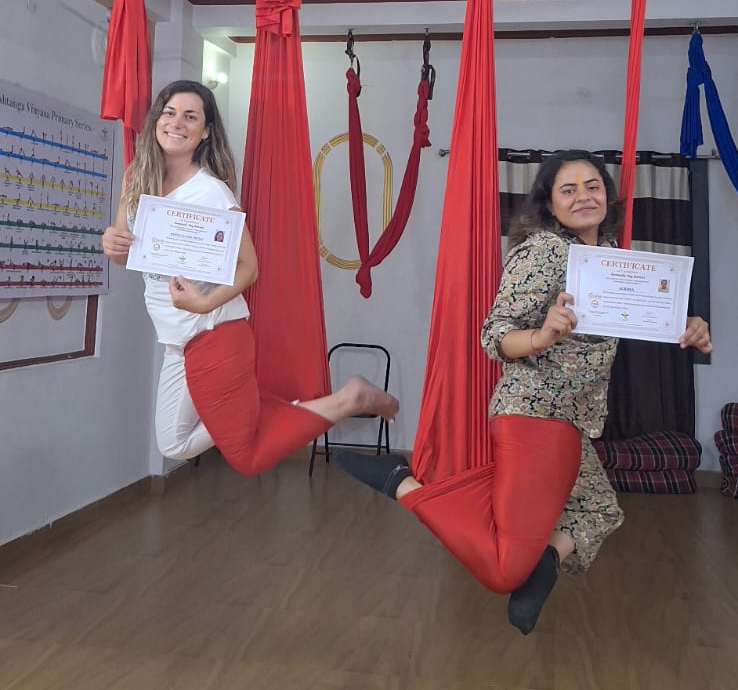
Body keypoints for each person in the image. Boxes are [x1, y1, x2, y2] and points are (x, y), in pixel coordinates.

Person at [337, 151, 712, 635]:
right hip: (535, 414)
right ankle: (402, 483)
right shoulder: (545, 251)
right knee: (502, 571)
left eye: (593, 186)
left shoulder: (610, 258)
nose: (583, 196)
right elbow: (494, 335)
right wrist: (543, 334)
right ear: (551, 205)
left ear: (608, 195)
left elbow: (642, 317)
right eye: (568, 190)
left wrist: (686, 324)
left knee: (598, 511)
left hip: (571, 419)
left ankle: (544, 567)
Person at [102, 80, 398, 471]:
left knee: (245, 454)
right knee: (174, 442)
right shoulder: (135, 180)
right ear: (156, 119)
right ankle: (281, 408)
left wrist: (204, 302)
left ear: (205, 132)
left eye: (190, 117)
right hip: (175, 336)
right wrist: (113, 246)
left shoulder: (212, 193)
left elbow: (249, 267)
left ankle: (348, 401)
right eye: (169, 113)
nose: (176, 123)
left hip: (213, 331)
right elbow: (126, 254)